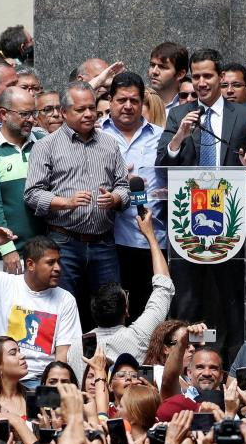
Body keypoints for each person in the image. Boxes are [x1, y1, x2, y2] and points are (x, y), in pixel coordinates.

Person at [23, 81, 129, 307]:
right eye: (80, 110)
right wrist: (65, 202)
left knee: (111, 307)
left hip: (104, 242)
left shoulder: (109, 144)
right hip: (64, 242)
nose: (89, 114)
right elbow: (32, 194)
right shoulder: (46, 146)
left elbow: (123, 186)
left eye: (92, 107)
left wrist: (115, 199)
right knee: (63, 307)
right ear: (63, 112)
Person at [0, 230, 81, 386]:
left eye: (59, 262)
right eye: (50, 262)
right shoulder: (3, 284)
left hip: (39, 380)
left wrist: (53, 388)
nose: (58, 268)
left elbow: (63, 354)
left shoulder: (65, 299)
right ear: (30, 264)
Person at [99, 72, 165, 313]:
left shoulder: (161, 137)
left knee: (150, 314)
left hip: (152, 240)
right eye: (121, 100)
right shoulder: (96, 136)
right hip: (108, 242)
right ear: (110, 100)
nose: (128, 106)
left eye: (134, 101)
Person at [0, 85, 47, 273]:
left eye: (34, 113)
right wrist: (7, 250)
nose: (31, 120)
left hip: (45, 251)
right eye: (24, 114)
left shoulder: (43, 143)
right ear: (4, 114)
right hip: (8, 256)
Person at [89, 209, 173, 362]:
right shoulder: (139, 336)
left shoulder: (77, 348)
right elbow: (164, 286)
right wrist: (151, 236)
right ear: (126, 311)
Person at [156, 48, 246, 168]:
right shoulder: (177, 115)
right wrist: (178, 138)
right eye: (196, 77)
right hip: (190, 186)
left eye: (207, 76)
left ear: (221, 77)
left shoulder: (245, 116)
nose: (201, 83)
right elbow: (161, 168)